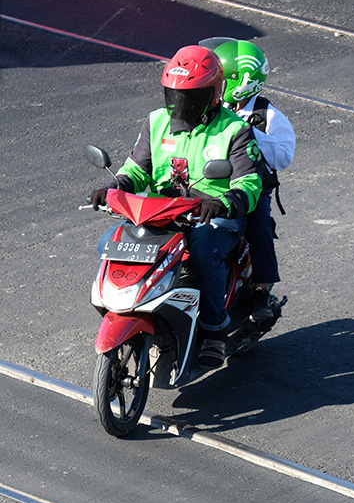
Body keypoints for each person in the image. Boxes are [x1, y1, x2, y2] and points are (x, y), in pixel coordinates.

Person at [90, 45, 265, 368]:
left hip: (211, 215)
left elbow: (249, 182)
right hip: (161, 211)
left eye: (190, 97)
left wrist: (226, 201)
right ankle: (126, 309)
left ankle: (214, 330)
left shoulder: (234, 130)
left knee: (203, 251)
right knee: (109, 242)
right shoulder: (156, 122)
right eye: (174, 96)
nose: (180, 105)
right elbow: (136, 169)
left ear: (213, 94)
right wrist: (113, 188)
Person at [199, 37, 296, 321]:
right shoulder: (212, 107)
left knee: (259, 224)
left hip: (250, 185)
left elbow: (283, 157)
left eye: (219, 78)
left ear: (239, 81)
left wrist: (249, 133)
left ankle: (261, 290)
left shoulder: (267, 114)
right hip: (206, 183)